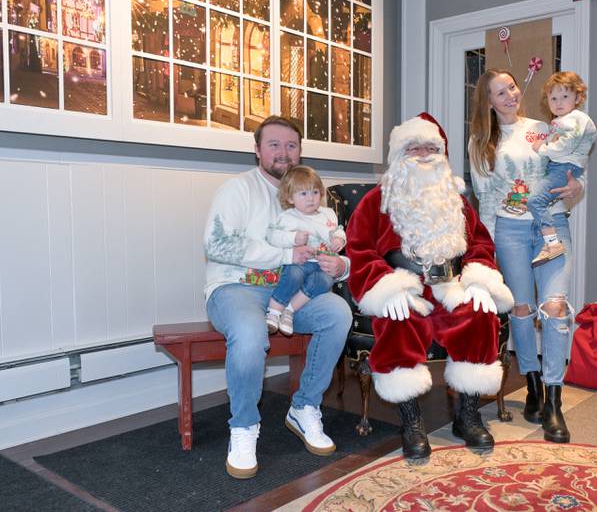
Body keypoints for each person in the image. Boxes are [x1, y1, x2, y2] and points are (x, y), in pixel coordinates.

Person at [346, 113, 514, 460]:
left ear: (442, 155)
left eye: (431, 148)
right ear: (398, 157)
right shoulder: (376, 201)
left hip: (452, 285)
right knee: (398, 323)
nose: (423, 155)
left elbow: (481, 244)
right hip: (405, 289)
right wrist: (386, 285)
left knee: (478, 316)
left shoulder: (458, 202)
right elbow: (359, 249)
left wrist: (479, 279)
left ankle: (466, 417)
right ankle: (412, 422)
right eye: (414, 148)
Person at [203, 116, 352, 479]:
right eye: (274, 144)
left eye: (291, 145)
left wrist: (340, 265)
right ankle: (243, 426)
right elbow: (216, 244)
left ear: (300, 151)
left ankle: (304, 407)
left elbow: (334, 245)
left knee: (337, 312)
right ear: (257, 151)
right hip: (235, 286)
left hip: (289, 295)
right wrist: (284, 256)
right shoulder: (237, 189)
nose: (283, 152)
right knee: (251, 333)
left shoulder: (312, 194)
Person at [468, 69, 585, 444]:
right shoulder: (480, 142)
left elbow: (570, 172)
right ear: (487, 101)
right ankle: (532, 386)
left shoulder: (546, 127)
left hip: (552, 225)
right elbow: (485, 199)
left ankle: (553, 401)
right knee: (521, 308)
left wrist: (576, 186)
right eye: (499, 92)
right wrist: (486, 247)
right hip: (510, 231)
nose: (509, 96)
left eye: (512, 87)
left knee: (554, 307)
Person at [265, 165, 346, 335]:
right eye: (303, 194)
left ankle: (289, 310)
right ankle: (274, 311)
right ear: (290, 198)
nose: (310, 198)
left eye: (315, 192)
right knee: (294, 274)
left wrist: (339, 239)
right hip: (300, 262)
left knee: (325, 281)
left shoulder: (328, 214)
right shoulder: (288, 217)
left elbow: (337, 229)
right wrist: (293, 238)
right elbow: (272, 236)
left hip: (322, 264)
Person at [526, 71, 597, 266]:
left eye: (565, 96)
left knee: (535, 201)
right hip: (561, 166)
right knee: (540, 199)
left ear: (578, 97)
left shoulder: (576, 119)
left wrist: (543, 148)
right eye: (553, 98)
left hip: (565, 167)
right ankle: (552, 243)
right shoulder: (564, 120)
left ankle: (552, 243)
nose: (558, 102)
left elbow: (566, 145)